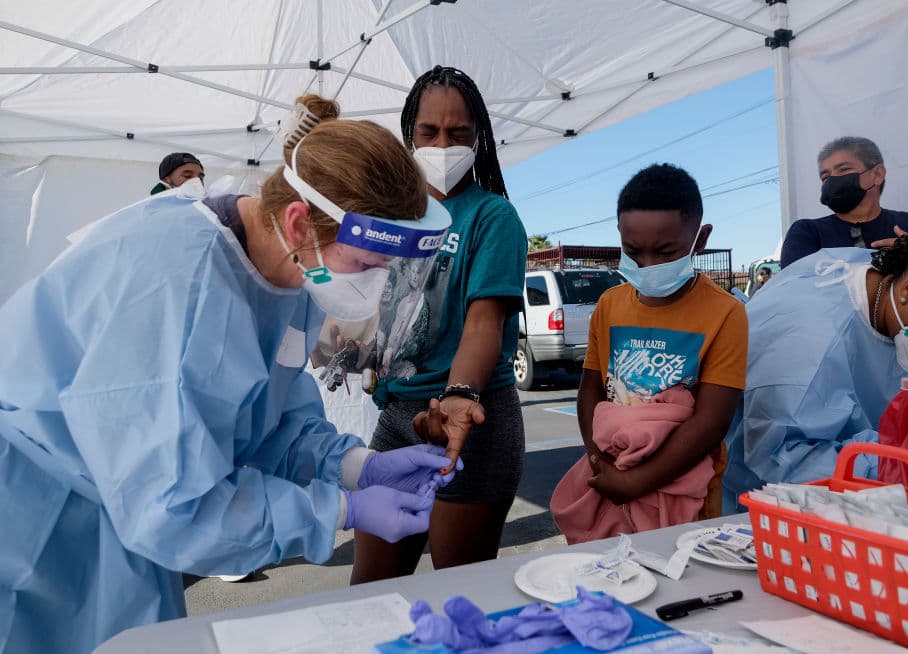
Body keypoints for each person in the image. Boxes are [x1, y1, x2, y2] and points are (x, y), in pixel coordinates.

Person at [0, 94, 460, 654]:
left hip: (124, 522)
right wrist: (340, 510)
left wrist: (361, 467)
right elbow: (173, 503)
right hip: (35, 517)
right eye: (366, 264)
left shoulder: (297, 272)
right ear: (298, 222)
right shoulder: (177, 281)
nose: (374, 285)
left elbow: (271, 423)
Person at [350, 66, 528, 583]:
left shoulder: (493, 218)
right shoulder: (391, 217)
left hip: (470, 420)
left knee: (458, 593)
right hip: (398, 417)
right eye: (430, 132)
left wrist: (459, 395)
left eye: (459, 134)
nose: (443, 144)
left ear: (479, 140)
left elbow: (483, 324)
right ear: (410, 135)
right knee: (371, 588)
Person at [723, 232, 908, 514]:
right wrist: (904, 464)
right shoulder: (811, 343)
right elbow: (783, 461)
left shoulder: (888, 283)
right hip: (767, 509)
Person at [549, 163, 747, 543]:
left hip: (685, 494)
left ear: (699, 239)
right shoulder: (609, 304)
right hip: (611, 479)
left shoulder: (726, 312)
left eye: (665, 251)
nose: (647, 265)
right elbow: (590, 389)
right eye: (633, 251)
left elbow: (711, 421)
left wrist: (637, 480)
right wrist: (599, 461)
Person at [780, 137, 908, 267]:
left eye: (844, 169)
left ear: (877, 174)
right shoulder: (807, 233)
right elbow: (796, 295)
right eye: (825, 176)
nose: (833, 180)